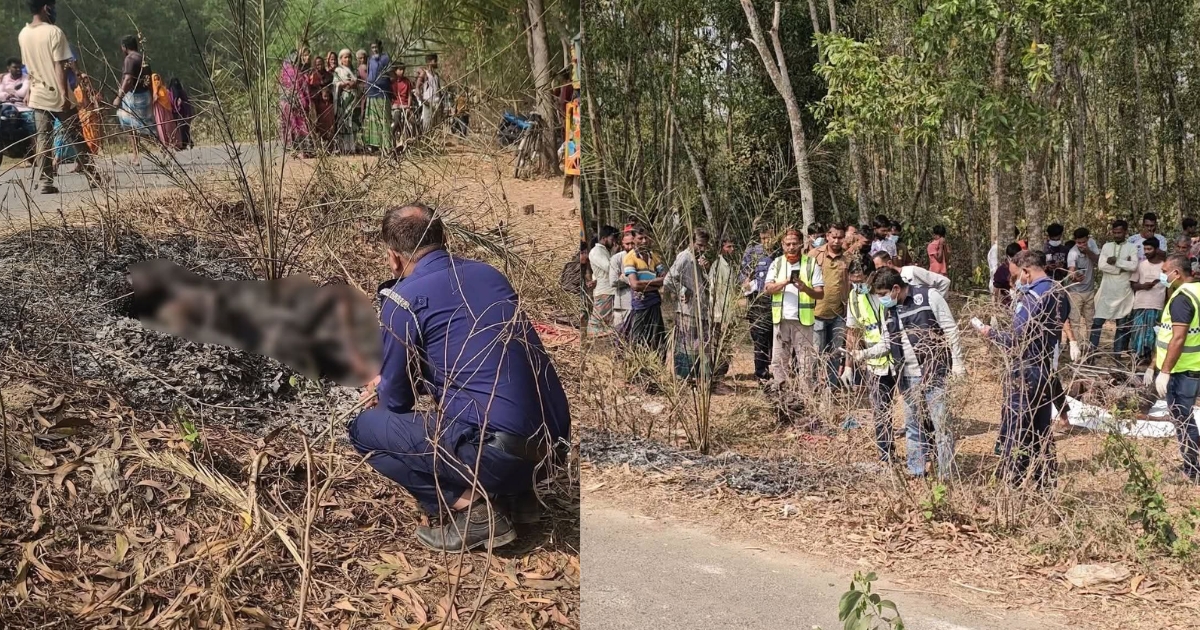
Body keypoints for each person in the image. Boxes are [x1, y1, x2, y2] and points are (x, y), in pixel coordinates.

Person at [349, 204, 570, 551]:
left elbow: (396, 402)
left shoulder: (402, 300)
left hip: (500, 455)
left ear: (393, 258)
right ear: (443, 239)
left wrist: (383, 385)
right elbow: (469, 360)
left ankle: (474, 511)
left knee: (365, 429)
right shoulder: (489, 274)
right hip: (554, 446)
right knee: (488, 397)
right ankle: (520, 499)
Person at [978, 250, 1068, 488]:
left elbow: (1017, 338)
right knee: (1041, 429)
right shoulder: (1059, 291)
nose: (1017, 281)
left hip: (1026, 368)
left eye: (1018, 275)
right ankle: (1045, 482)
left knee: (1017, 426)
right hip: (1045, 365)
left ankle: (1013, 482)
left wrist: (991, 334)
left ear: (1027, 272)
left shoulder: (1032, 296)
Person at [864, 267, 964, 478]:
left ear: (896, 288)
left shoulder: (928, 297)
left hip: (933, 372)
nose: (881, 299)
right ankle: (917, 470)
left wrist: (958, 364)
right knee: (913, 425)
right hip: (906, 376)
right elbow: (886, 342)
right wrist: (863, 354)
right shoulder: (890, 310)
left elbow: (950, 329)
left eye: (883, 295)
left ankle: (946, 473)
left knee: (941, 426)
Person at [19, 0, 102, 194]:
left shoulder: (23, 34)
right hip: (58, 94)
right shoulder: (54, 32)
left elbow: (29, 68)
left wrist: (30, 91)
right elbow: (59, 65)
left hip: (38, 94)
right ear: (46, 8)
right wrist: (64, 94)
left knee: (42, 139)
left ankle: (46, 182)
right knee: (76, 137)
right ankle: (92, 176)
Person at [1152, 254, 1200, 483]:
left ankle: (1192, 470)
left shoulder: (1182, 298)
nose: (1163, 275)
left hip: (1183, 369)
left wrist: (1165, 371)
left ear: (1177, 273)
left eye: (1165, 271)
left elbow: (1179, 338)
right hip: (1194, 366)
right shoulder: (1197, 291)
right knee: (1184, 417)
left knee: (1183, 419)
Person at [765, 229, 825, 394]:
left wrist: (804, 288)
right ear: (782, 245)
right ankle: (781, 397)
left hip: (803, 322)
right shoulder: (776, 263)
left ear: (801, 244)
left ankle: (807, 399)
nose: (791, 247)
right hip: (781, 320)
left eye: (794, 243)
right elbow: (768, 288)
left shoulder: (811, 264)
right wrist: (785, 282)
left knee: (806, 363)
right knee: (778, 361)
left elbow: (820, 293)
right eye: (787, 244)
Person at [664, 229, 713, 382]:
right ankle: (683, 377)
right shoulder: (684, 257)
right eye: (699, 245)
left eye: (704, 246)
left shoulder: (698, 258)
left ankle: (699, 377)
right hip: (688, 310)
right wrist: (683, 290)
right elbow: (668, 280)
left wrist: (706, 268)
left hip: (701, 309)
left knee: (700, 345)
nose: (702, 248)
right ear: (691, 242)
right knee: (686, 345)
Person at [811, 223, 850, 389]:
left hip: (839, 314)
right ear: (827, 236)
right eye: (833, 237)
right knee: (815, 355)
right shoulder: (814, 255)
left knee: (835, 354)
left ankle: (831, 387)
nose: (836, 241)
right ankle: (812, 387)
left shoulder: (848, 259)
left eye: (840, 237)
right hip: (817, 312)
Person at [1093, 220, 1139, 354]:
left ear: (1125, 232)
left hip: (1123, 292)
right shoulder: (1107, 246)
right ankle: (1091, 354)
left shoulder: (1132, 247)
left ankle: (1117, 356)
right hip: (1106, 290)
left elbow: (1134, 266)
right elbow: (1102, 265)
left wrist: (1117, 261)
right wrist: (1121, 268)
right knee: (1097, 323)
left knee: (1121, 326)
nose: (1117, 235)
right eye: (1115, 232)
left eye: (1120, 232)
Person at [622, 227, 668, 356]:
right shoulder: (630, 258)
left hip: (653, 302)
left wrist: (648, 286)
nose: (644, 241)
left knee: (656, 337)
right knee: (638, 338)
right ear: (634, 240)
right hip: (641, 303)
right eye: (640, 238)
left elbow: (665, 279)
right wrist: (656, 283)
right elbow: (635, 285)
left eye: (646, 238)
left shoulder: (654, 257)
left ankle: (656, 367)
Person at [740, 228, 778, 382]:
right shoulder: (752, 252)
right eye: (763, 238)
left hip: (778, 300)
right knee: (760, 339)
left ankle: (778, 373)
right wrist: (745, 282)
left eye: (768, 237)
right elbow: (742, 274)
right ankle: (761, 373)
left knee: (777, 339)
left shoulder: (781, 252)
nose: (766, 241)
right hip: (759, 301)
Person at [114, 35, 155, 165]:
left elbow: (128, 79)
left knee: (141, 127)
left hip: (136, 97)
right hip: (145, 95)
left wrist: (118, 97)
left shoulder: (130, 59)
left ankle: (163, 147)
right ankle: (135, 155)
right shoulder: (142, 58)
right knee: (132, 127)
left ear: (124, 47)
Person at [1130, 236, 1167, 364]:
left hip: (1157, 305)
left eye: (1149, 249)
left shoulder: (1165, 267)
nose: (1146, 252)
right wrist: (1143, 286)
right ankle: (1137, 358)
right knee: (1138, 333)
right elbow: (1133, 284)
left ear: (1156, 250)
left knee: (1153, 334)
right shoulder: (1140, 265)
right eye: (1145, 249)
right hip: (1141, 304)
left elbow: (1168, 287)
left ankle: (1152, 360)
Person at [1065, 227, 1100, 361]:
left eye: (1084, 242)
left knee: (1091, 321)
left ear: (1088, 239)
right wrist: (1074, 277)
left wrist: (1088, 251)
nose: (1081, 245)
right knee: (1075, 321)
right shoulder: (1072, 253)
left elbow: (1097, 260)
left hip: (1090, 291)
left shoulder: (1092, 244)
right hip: (1075, 292)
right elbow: (1071, 270)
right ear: (1075, 241)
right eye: (1079, 243)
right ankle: (1076, 351)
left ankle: (1090, 349)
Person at [710, 238, 739, 377]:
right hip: (719, 313)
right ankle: (717, 374)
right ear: (722, 248)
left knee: (727, 344)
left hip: (729, 312)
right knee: (718, 345)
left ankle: (722, 372)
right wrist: (717, 315)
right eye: (728, 247)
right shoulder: (717, 266)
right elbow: (713, 291)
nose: (731, 249)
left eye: (733, 246)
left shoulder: (730, 265)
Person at [871, 251, 950, 298]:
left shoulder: (912, 271)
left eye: (880, 268)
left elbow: (944, 282)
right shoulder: (887, 283)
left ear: (889, 263)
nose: (879, 272)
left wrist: (936, 304)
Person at [588, 226, 619, 336]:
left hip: (609, 289)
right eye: (612, 239)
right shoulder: (596, 251)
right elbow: (609, 268)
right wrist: (615, 254)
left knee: (609, 320)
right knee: (597, 321)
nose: (614, 242)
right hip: (604, 290)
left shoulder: (604, 251)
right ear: (604, 238)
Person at [362, 40, 392, 152]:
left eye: (376, 47)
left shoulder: (385, 58)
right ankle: (374, 145)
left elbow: (390, 73)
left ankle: (387, 145)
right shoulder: (370, 60)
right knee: (373, 120)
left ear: (381, 46)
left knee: (384, 119)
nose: (375, 49)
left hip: (382, 92)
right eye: (372, 47)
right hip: (371, 92)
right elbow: (369, 73)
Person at [278, 50, 310, 153]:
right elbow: (300, 89)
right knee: (298, 124)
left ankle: (291, 147)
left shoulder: (283, 72)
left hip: (284, 103)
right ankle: (303, 148)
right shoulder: (296, 72)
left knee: (289, 124)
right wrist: (305, 102)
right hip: (296, 103)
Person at [332, 49, 359, 154]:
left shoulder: (354, 71)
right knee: (345, 121)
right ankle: (344, 147)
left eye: (349, 57)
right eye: (345, 57)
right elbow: (335, 83)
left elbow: (359, 83)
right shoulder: (338, 70)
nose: (348, 59)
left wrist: (354, 84)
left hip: (354, 98)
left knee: (353, 121)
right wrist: (344, 84)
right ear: (341, 59)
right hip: (344, 98)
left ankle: (352, 146)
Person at [609, 231, 635, 331]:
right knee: (621, 336)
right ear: (622, 244)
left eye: (632, 243)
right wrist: (630, 280)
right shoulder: (616, 258)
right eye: (627, 244)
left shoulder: (642, 257)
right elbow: (613, 281)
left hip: (638, 304)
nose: (630, 246)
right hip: (622, 304)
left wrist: (623, 276)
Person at [307, 56, 334, 148]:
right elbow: (311, 89)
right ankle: (318, 146)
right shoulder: (313, 75)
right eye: (317, 64)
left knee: (328, 124)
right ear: (315, 65)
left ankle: (329, 145)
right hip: (317, 103)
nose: (320, 66)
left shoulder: (329, 75)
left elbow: (330, 88)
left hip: (326, 104)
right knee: (318, 124)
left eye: (321, 64)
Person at [390, 63, 415, 144]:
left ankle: (411, 139)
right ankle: (392, 134)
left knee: (412, 122)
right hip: (395, 106)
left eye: (403, 69)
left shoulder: (407, 81)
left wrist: (408, 107)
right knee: (397, 119)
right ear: (395, 71)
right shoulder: (392, 82)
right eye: (400, 69)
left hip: (405, 105)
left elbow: (410, 95)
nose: (402, 71)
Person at [167, 78, 194, 150]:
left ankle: (185, 143)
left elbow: (186, 103)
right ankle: (183, 143)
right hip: (176, 113)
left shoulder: (182, 92)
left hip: (183, 113)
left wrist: (181, 104)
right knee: (180, 128)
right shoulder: (170, 92)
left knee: (183, 128)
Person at [992, 242, 1021, 309]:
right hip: (1008, 306)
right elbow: (996, 290)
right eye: (1013, 258)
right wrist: (995, 307)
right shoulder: (1002, 270)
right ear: (1008, 257)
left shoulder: (1025, 267)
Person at [419, 53, 441, 133]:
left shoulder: (436, 75)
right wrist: (423, 101)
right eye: (435, 61)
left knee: (435, 125)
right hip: (428, 102)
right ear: (429, 62)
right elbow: (417, 89)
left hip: (436, 102)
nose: (436, 63)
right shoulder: (424, 74)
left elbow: (439, 90)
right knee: (427, 124)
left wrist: (441, 103)